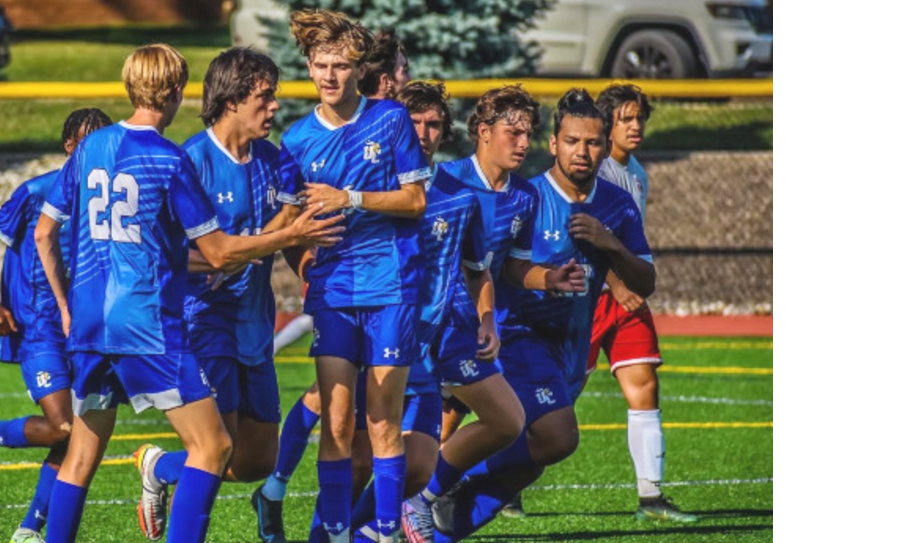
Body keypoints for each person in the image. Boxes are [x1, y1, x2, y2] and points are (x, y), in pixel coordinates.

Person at [33, 44, 344, 543]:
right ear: (178, 90)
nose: (273, 105)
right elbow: (217, 253)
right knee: (213, 446)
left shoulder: (91, 147)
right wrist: (291, 235)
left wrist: (67, 307)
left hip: (91, 325)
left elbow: (45, 233)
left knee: (83, 454)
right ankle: (162, 479)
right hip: (148, 323)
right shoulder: (172, 159)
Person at [428, 89, 657, 541]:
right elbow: (497, 268)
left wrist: (610, 243)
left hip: (570, 345)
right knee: (556, 436)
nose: (581, 152)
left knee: (535, 458)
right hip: (518, 334)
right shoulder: (528, 197)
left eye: (592, 142)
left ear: (605, 146)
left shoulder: (617, 204)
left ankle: (437, 530)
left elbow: (645, 281)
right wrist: (546, 279)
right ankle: (433, 484)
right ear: (553, 144)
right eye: (571, 141)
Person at [252, 26, 415, 543]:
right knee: (338, 422)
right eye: (321, 65)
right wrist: (304, 265)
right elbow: (288, 226)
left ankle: (387, 533)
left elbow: (415, 201)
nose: (329, 76)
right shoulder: (296, 141)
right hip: (334, 295)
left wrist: (351, 198)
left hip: (389, 290)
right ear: (308, 67)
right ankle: (338, 535)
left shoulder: (391, 119)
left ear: (359, 68)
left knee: (383, 423)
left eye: (340, 65)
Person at [130, 47, 291, 539]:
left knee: (257, 460)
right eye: (265, 96)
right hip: (204, 318)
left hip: (255, 322)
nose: (275, 106)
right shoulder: (190, 161)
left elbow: (289, 226)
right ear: (232, 100)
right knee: (215, 447)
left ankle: (159, 466)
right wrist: (220, 258)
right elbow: (163, 250)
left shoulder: (274, 158)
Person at [0, 107, 111, 543]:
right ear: (69, 146)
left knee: (75, 433)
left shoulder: (104, 201)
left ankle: (30, 529)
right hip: (38, 327)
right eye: (86, 143)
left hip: (83, 330)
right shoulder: (37, 191)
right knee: (63, 425)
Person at [588, 83, 697, 522]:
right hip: (588, 297)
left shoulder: (636, 173)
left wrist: (629, 282)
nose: (635, 126)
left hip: (625, 298)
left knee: (645, 384)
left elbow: (628, 243)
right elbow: (584, 239)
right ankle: (508, 486)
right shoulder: (592, 171)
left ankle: (651, 498)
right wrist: (615, 285)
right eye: (626, 119)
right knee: (558, 397)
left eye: (640, 118)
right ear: (606, 125)